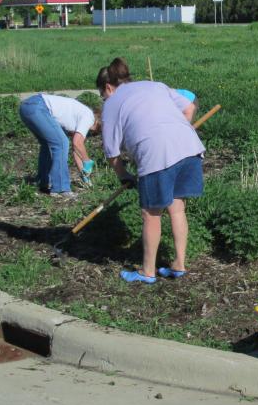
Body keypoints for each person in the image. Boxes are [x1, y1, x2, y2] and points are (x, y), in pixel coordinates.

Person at [97, 57, 204, 284]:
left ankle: (147, 271)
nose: (103, 99)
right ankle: (179, 265)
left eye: (102, 95)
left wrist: (123, 176)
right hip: (190, 147)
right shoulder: (155, 85)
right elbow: (189, 106)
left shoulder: (112, 103)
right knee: (177, 208)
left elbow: (111, 152)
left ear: (108, 87)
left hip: (157, 155)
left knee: (151, 213)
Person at [18, 93, 100, 196]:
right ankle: (61, 188)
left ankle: (43, 181)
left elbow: (77, 149)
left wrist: (85, 176)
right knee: (61, 143)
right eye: (91, 132)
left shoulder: (78, 117)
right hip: (39, 106)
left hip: (26, 107)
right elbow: (77, 143)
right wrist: (87, 161)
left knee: (48, 144)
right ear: (97, 123)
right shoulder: (90, 117)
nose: (88, 134)